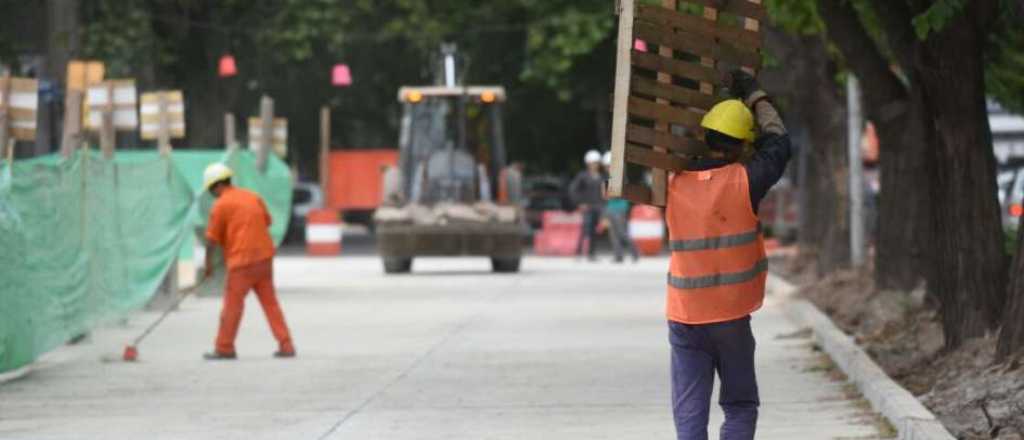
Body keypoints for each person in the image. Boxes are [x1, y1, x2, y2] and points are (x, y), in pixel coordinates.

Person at [665, 70, 791, 440]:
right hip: (731, 316)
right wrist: (756, 96)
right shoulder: (745, 181)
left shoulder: (672, 184)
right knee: (739, 405)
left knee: (689, 411)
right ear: (741, 146)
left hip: (684, 314)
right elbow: (779, 144)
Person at [201, 163, 296, 360]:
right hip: (264, 259)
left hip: (241, 263)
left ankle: (224, 347)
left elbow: (211, 240)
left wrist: (208, 266)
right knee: (270, 304)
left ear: (215, 186)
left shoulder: (220, 205)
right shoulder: (252, 196)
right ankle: (286, 345)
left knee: (232, 307)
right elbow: (266, 221)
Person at [601, 151, 639, 263]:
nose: (607, 168)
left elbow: (614, 194)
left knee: (622, 232)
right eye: (606, 166)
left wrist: (607, 192)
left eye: (609, 166)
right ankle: (618, 255)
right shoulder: (607, 178)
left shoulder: (621, 177)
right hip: (610, 208)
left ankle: (635, 252)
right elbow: (605, 196)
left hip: (620, 208)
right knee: (613, 233)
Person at [569, 150, 606, 261]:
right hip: (587, 207)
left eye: (596, 163)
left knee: (594, 231)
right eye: (593, 163)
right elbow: (573, 190)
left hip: (598, 207)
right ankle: (578, 252)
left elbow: (603, 193)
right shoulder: (583, 176)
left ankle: (592, 254)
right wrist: (580, 203)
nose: (595, 165)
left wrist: (603, 205)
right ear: (588, 163)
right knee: (585, 230)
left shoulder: (601, 177)